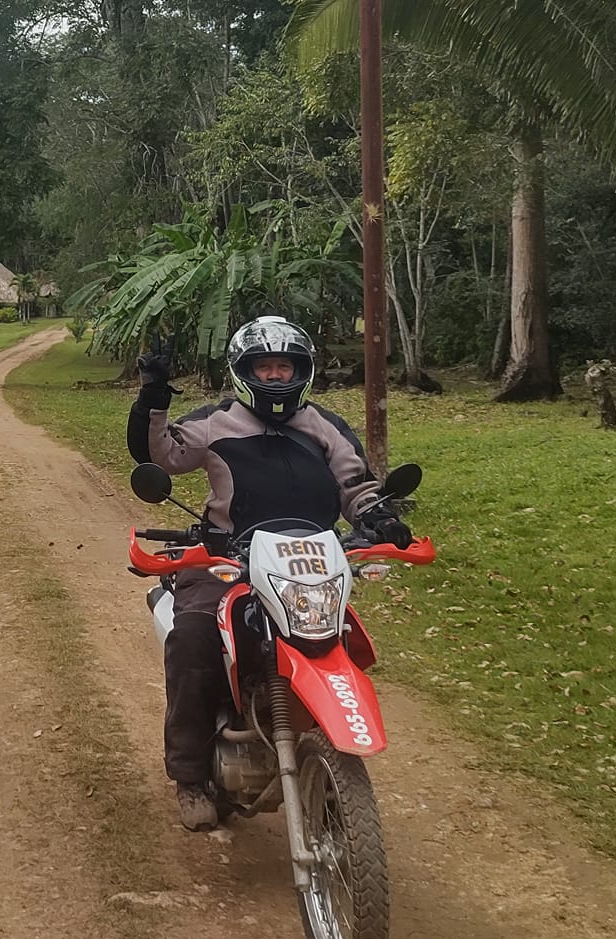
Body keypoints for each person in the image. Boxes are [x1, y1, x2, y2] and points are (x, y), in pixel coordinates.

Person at [127, 315, 412, 831]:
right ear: (244, 371)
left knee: (336, 639)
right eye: (266, 366)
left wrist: (379, 517)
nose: (276, 376)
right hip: (223, 557)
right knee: (193, 639)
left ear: (301, 372)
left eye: (285, 367)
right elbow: (162, 455)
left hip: (305, 564)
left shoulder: (323, 425)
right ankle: (190, 776)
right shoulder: (216, 421)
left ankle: (322, 755)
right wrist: (153, 394)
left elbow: (356, 484)